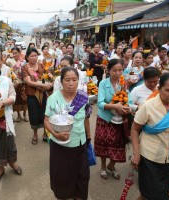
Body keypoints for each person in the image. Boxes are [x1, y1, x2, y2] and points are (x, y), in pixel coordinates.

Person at [131, 73, 169, 200]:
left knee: (163, 193)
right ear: (159, 88)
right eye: (168, 90)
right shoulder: (148, 106)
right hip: (150, 158)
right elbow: (135, 129)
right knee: (149, 194)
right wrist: (136, 154)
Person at [44, 67, 91, 200]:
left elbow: (86, 119)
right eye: (67, 80)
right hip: (60, 146)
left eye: (74, 80)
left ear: (78, 81)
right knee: (62, 177)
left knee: (82, 177)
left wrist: (88, 136)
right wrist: (55, 133)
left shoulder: (83, 97)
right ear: (61, 81)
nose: (71, 83)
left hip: (79, 144)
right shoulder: (53, 98)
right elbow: (46, 120)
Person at [95, 59, 132, 180]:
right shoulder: (103, 83)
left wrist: (128, 108)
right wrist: (115, 106)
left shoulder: (124, 84)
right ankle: (103, 166)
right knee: (104, 144)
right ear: (108, 70)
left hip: (119, 120)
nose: (117, 73)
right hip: (105, 119)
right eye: (114, 70)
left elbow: (129, 101)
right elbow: (100, 103)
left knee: (118, 144)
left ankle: (112, 165)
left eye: (120, 70)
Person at [22, 48, 53, 145]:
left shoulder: (40, 65)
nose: (34, 58)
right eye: (32, 56)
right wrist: (43, 85)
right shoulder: (25, 68)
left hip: (43, 93)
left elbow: (48, 74)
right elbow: (28, 82)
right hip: (32, 94)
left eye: (36, 55)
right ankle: (35, 134)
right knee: (33, 114)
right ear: (27, 57)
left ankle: (45, 133)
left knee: (44, 113)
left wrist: (51, 79)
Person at [6, 47, 28, 122]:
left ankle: (25, 114)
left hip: (23, 82)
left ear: (19, 53)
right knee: (17, 99)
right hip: (14, 83)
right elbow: (8, 72)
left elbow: (26, 71)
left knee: (24, 99)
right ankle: (18, 114)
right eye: (13, 53)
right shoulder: (9, 61)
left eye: (16, 53)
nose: (15, 54)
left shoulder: (24, 61)